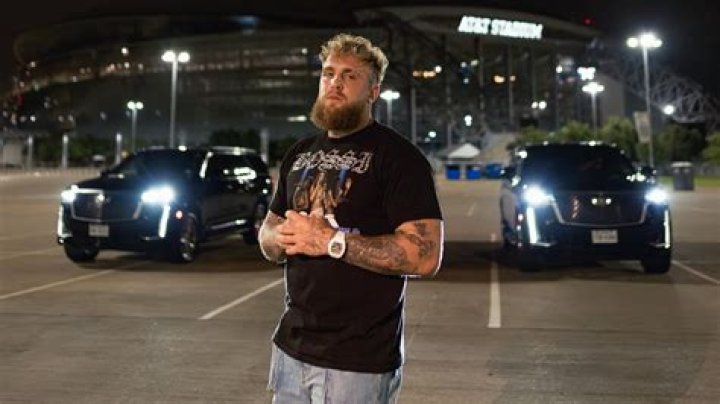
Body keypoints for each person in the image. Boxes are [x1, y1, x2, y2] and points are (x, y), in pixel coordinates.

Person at [259, 33, 444, 403]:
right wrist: (280, 239)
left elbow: (425, 256)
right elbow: (268, 229)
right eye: (328, 73)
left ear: (373, 91)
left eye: (350, 75)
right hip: (291, 348)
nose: (335, 83)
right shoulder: (299, 153)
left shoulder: (399, 158)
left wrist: (331, 241)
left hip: (358, 361)